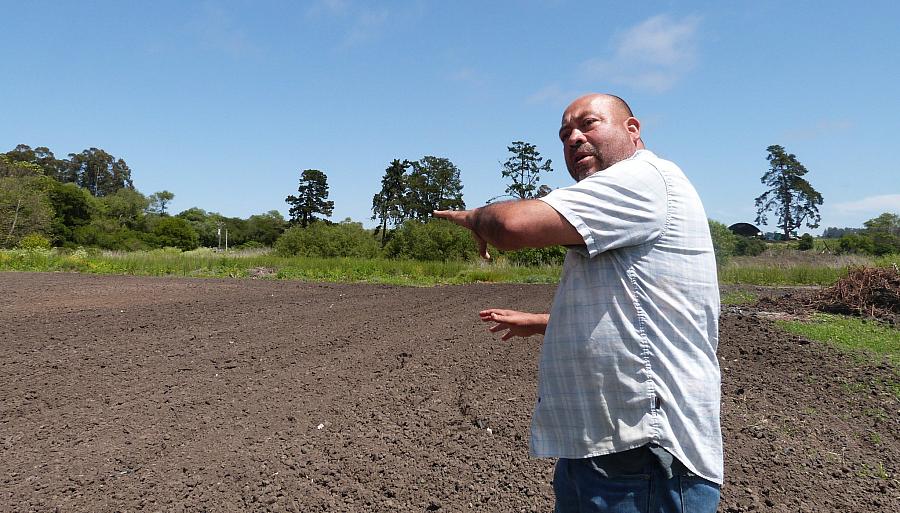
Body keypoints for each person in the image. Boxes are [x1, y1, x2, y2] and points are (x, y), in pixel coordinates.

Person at [434, 93, 722, 513]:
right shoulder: (634, 193)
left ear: (632, 129)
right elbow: (642, 306)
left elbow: (513, 226)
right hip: (607, 447)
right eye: (565, 133)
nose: (574, 137)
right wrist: (544, 321)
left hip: (642, 453)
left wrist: (477, 216)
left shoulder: (642, 179)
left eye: (588, 124)